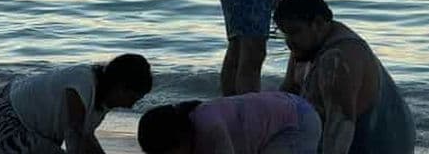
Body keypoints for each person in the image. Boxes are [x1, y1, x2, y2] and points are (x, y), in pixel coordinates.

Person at [276, 0, 415, 154]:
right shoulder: (305, 45)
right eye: (285, 33)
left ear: (319, 23)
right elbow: (286, 98)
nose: (289, 42)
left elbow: (339, 132)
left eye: (294, 32)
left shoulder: (338, 59)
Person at [0, 53, 152, 154]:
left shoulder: (100, 99)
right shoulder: (82, 83)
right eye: (133, 98)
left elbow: (86, 138)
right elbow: (74, 134)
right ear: (120, 87)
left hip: (19, 120)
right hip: (0, 119)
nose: (131, 106)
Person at [137, 92, 321, 154]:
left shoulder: (209, 128)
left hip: (296, 121)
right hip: (288, 108)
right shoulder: (192, 129)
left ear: (179, 139)